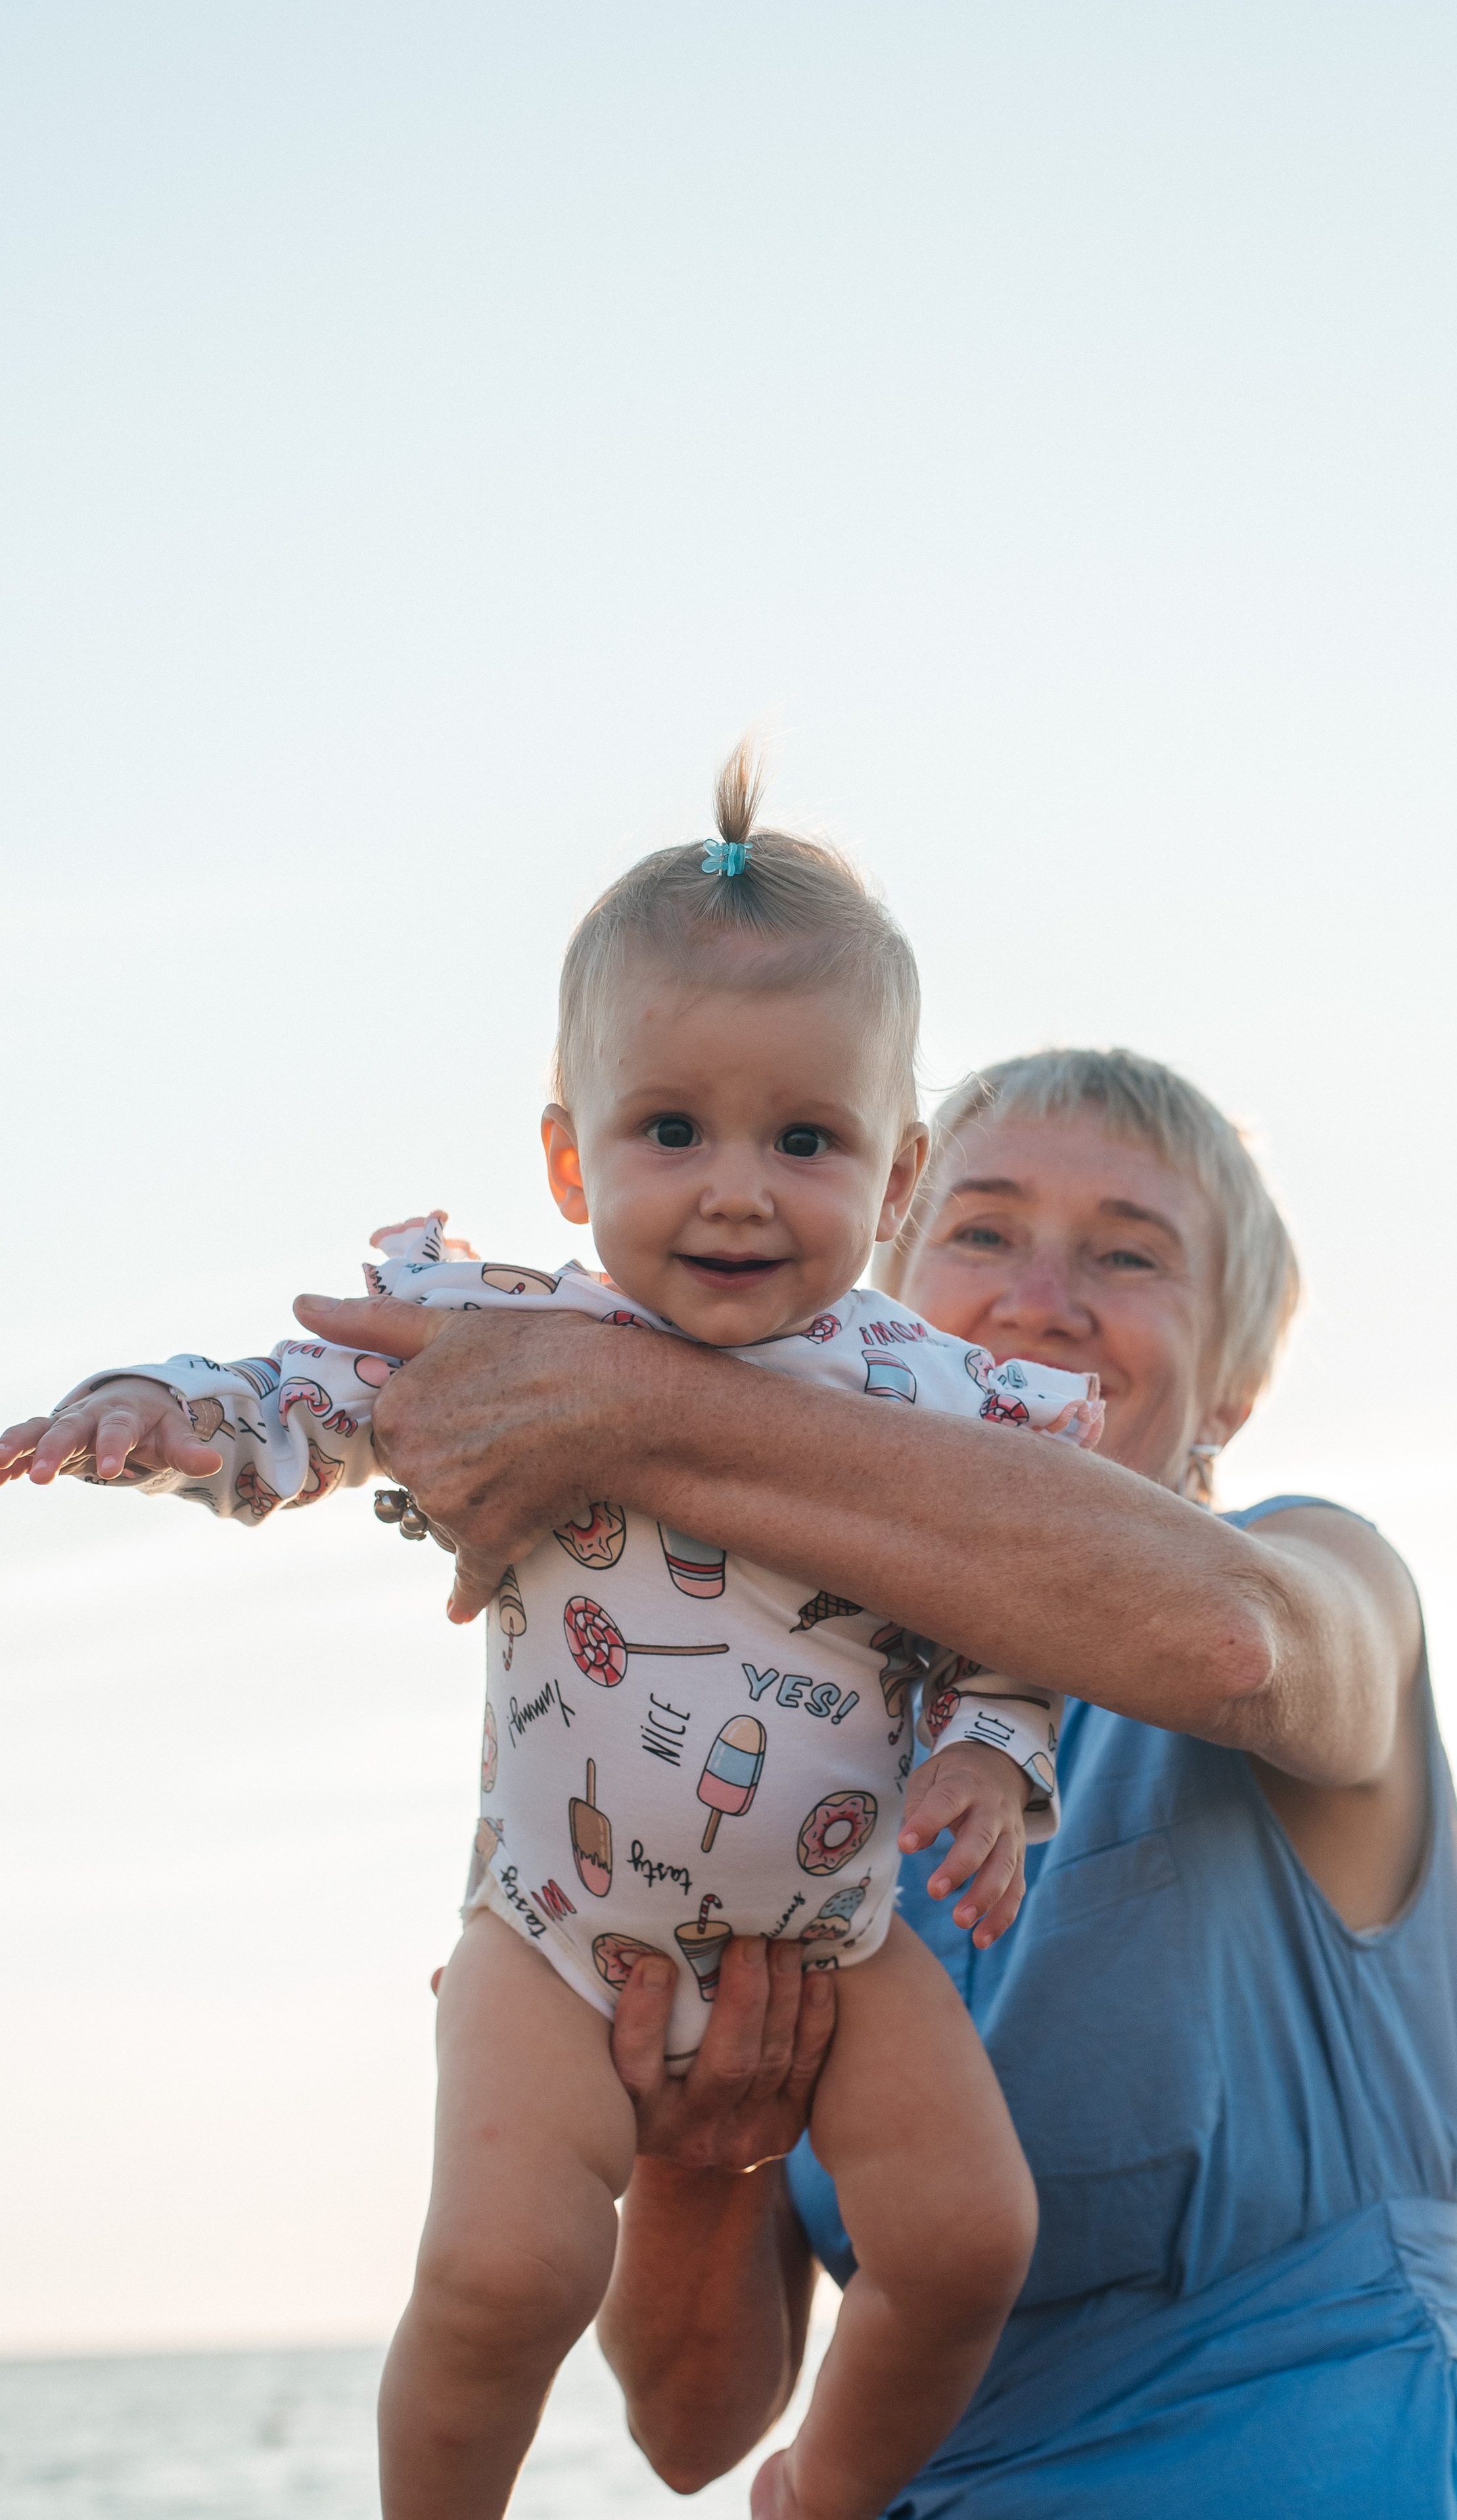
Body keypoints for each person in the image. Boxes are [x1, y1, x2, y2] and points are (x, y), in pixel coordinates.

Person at [3, 760, 1111, 2520]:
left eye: (804, 1139)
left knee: (975, 2232)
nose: (737, 1189)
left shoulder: (932, 1396)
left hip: (833, 1924)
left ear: (894, 1169)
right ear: (564, 1151)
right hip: (555, 1926)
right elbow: (317, 1394)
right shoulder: (515, 1338)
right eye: (671, 1130)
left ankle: (826, 2495)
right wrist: (168, 1410)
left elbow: (1025, 1596)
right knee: (506, 2274)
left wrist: (995, 1745)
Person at [292, 1045, 1457, 2519]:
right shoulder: (798, 1763)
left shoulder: (1321, 1575)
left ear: (1229, 1383)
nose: (1043, 1296)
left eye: (1127, 1253)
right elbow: (690, 2424)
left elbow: (1239, 1645)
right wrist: (695, 2148)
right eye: (979, 1232)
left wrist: (629, 1409)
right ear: (876, 1316)